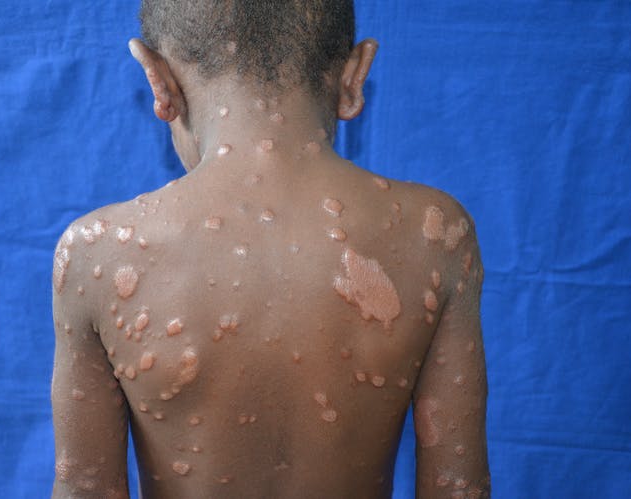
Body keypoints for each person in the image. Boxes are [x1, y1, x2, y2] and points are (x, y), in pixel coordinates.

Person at [50, 1, 490, 497]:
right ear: (354, 76)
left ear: (160, 82)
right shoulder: (432, 236)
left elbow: (84, 488)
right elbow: (458, 488)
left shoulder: (98, 254)